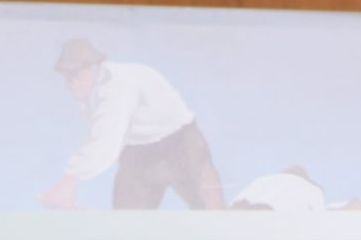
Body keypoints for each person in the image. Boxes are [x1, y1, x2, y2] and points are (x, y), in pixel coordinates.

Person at [41, 39, 224, 211]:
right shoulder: (90, 98)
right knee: (126, 221)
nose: (71, 84)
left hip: (182, 146)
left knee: (214, 215)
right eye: (67, 77)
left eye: (75, 76)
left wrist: (68, 182)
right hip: (138, 155)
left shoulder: (118, 87)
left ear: (93, 68)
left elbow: (105, 142)